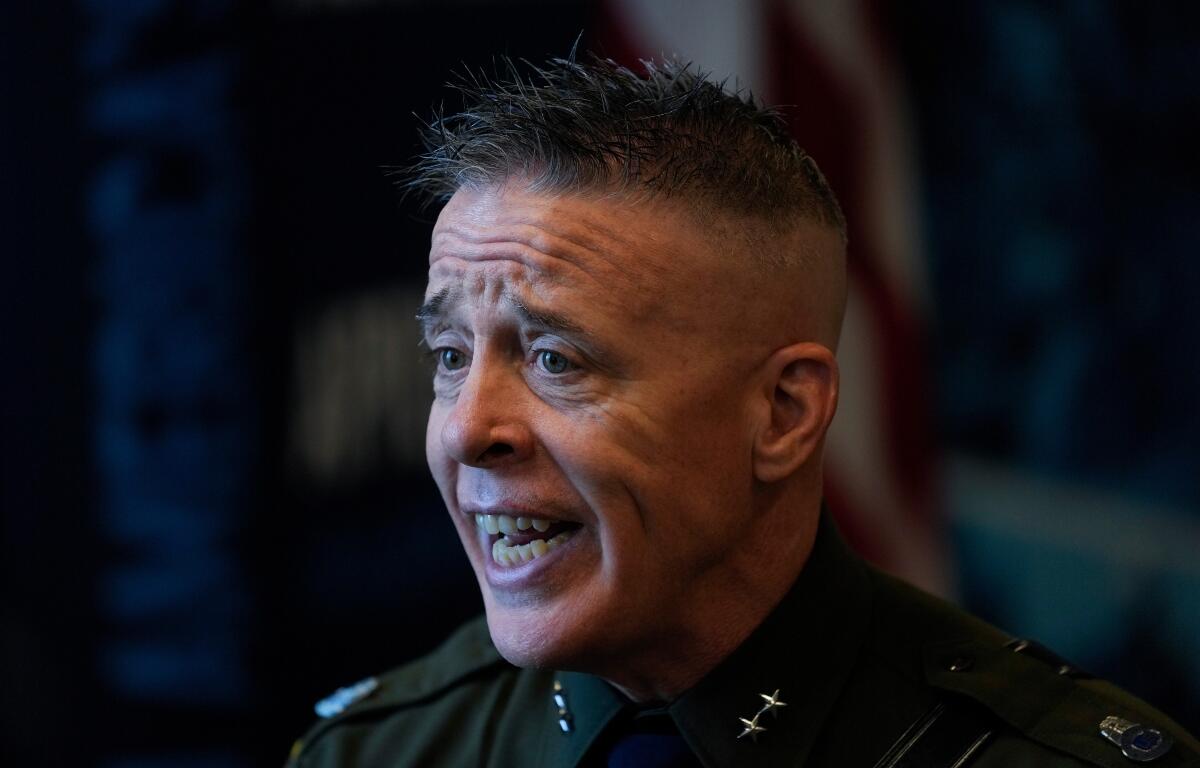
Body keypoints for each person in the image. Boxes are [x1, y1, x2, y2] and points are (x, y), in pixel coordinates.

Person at [287, 55, 1198, 767]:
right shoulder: (376, 751)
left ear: (784, 413)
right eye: (450, 357)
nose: (465, 429)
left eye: (556, 359)